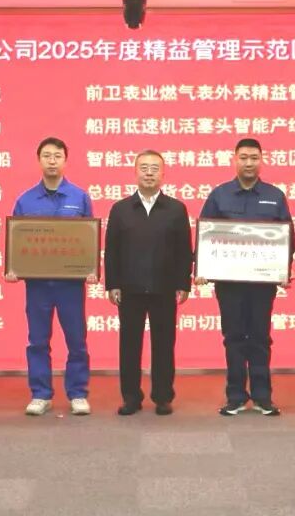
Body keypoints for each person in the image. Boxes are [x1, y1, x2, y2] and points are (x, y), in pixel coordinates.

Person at [198, 138, 293, 417]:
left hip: (263, 283)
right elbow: (206, 235)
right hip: (229, 284)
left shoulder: (275, 195)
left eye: (254, 158)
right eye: (243, 158)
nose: (249, 163)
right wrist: (201, 267)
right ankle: (236, 396)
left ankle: (263, 397)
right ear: (235, 159)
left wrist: (283, 270)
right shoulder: (219, 195)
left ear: (261, 160)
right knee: (234, 338)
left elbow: (288, 237)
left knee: (260, 338)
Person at [5, 137, 95, 416]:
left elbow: (88, 239)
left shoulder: (79, 197)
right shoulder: (25, 199)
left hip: (70, 285)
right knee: (38, 340)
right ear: (39, 160)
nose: (52, 161)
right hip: (38, 284)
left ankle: (78, 393)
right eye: (47, 155)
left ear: (65, 160)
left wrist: (91, 268)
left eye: (57, 156)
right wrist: (13, 267)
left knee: (76, 340)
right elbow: (17, 240)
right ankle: (40, 394)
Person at [105, 150, 192, 416]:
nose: (149, 173)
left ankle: (163, 396)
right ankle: (131, 397)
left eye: (155, 168)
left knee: (164, 345)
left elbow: (184, 250)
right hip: (129, 288)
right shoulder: (120, 209)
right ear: (135, 172)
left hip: (164, 288)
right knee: (129, 345)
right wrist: (112, 283)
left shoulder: (176, 209)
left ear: (163, 173)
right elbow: (112, 250)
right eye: (144, 168)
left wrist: (183, 283)